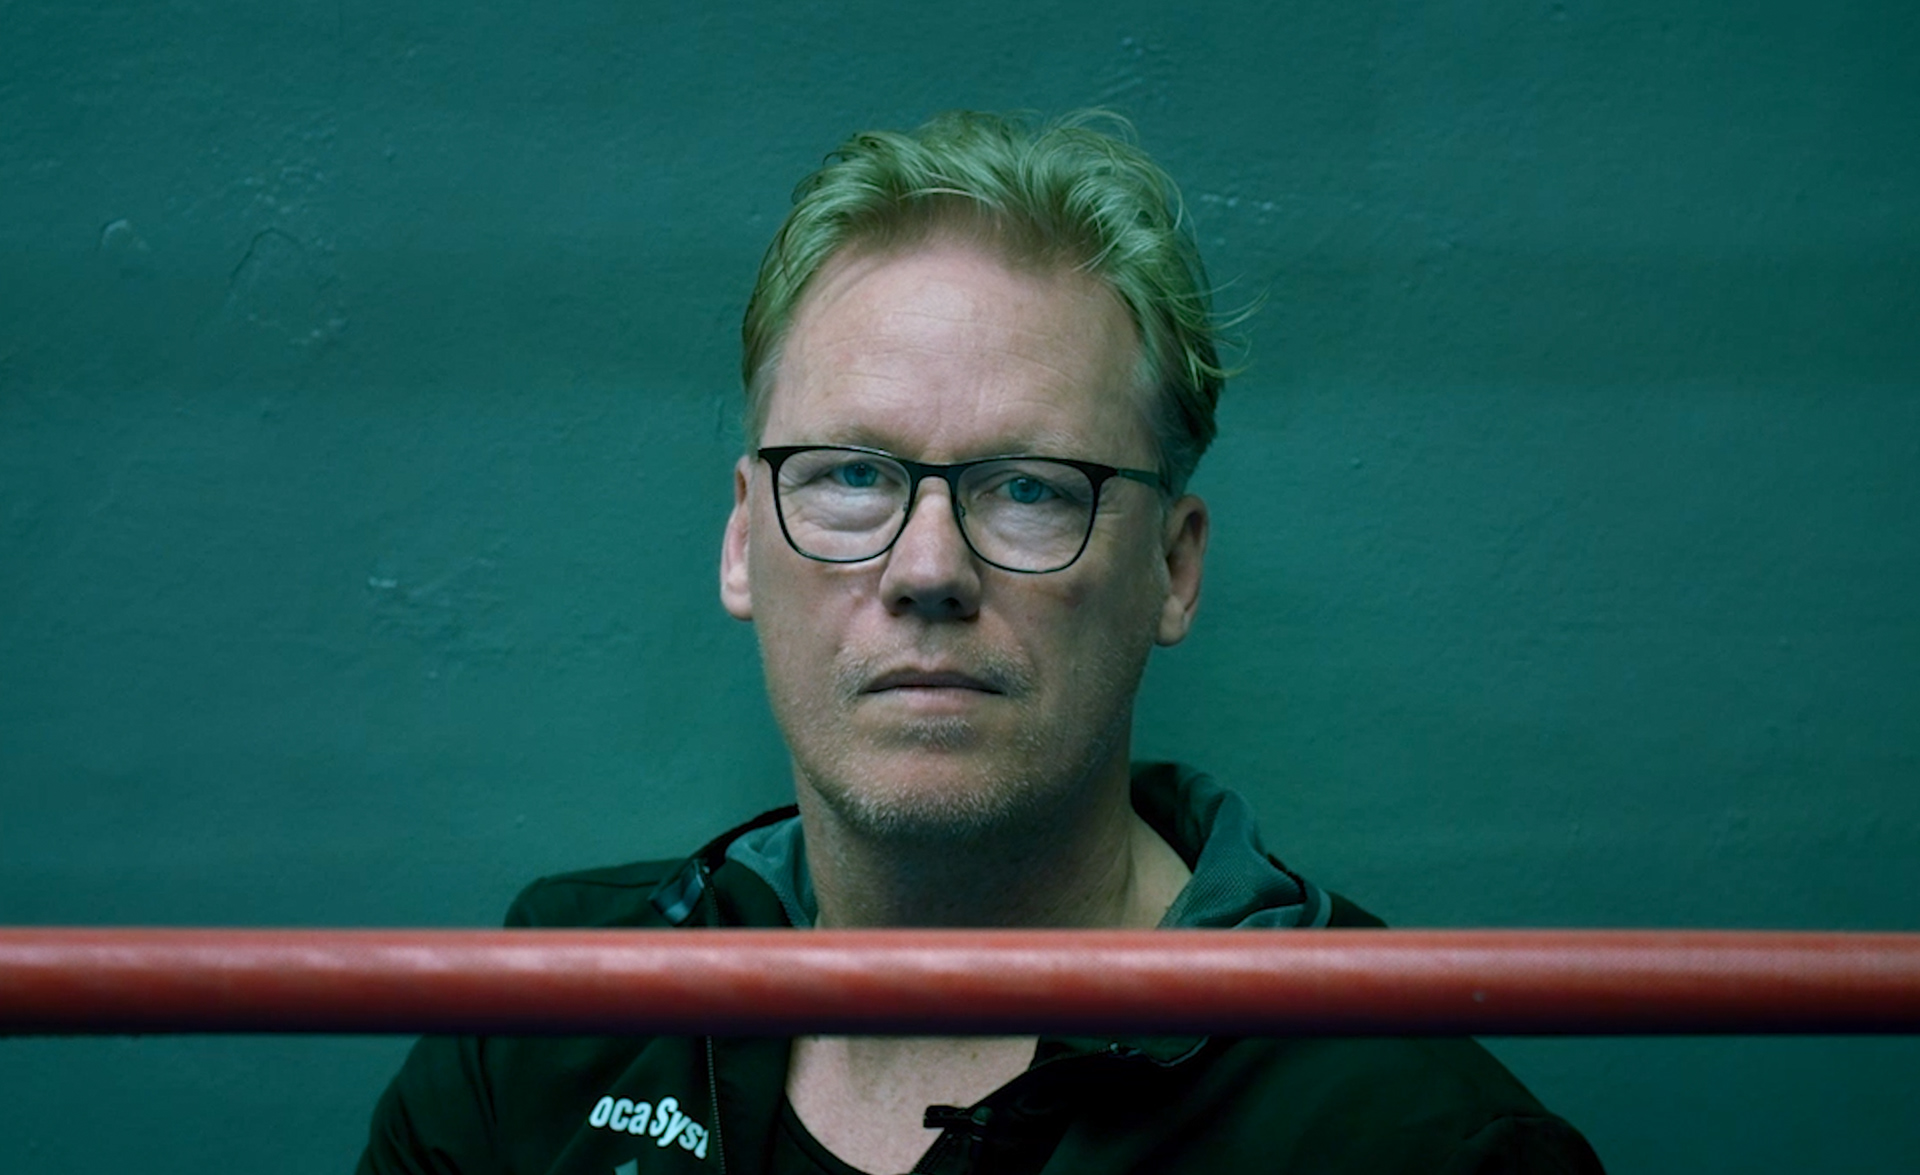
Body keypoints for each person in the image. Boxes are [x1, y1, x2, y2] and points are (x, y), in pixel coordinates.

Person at [358, 110, 1604, 1175]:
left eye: (1029, 487)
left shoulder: (1408, 1134)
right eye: (852, 474)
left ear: (1172, 570)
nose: (928, 570)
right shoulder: (545, 1022)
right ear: (743, 540)